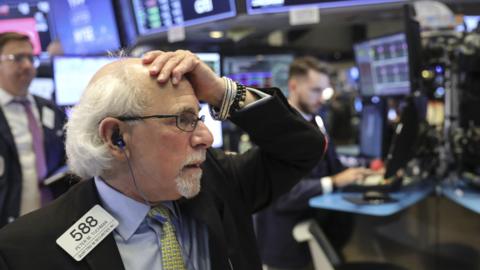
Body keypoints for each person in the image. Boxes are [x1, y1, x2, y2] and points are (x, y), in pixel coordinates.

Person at [0, 50, 325, 270]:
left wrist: (221, 93)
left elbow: (303, 148)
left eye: (199, 117)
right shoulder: (26, 250)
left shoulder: (219, 183)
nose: (206, 137)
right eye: (183, 120)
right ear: (115, 137)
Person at [255, 56, 371, 270]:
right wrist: (335, 181)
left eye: (324, 91)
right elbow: (284, 195)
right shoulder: (278, 129)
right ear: (293, 86)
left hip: (315, 237)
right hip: (284, 249)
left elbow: (334, 165)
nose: (321, 99)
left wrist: (364, 174)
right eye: (315, 90)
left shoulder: (316, 120)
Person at [0, 32, 67, 227]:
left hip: (51, 221)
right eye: (18, 58)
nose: (28, 65)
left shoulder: (49, 109)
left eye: (31, 58)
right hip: (8, 227)